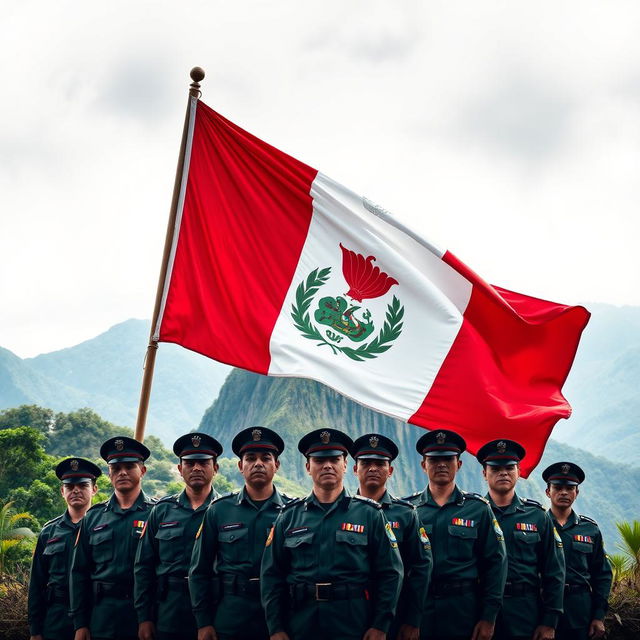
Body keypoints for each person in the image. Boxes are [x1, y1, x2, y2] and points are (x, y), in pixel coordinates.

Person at [261, 428, 403, 640]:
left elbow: (391, 573)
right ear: (308, 467)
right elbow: (271, 575)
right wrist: (276, 628)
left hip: (353, 623)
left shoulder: (370, 514)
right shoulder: (289, 517)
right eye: (319, 460)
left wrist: (381, 625)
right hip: (301, 622)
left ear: (345, 465)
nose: (327, 465)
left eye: (334, 459)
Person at [404, 429, 507, 640]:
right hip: (418, 608)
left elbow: (496, 563)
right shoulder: (407, 510)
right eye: (434, 459)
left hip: (463, 609)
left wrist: (488, 617)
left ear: (458, 465)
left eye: (448, 459)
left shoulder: (478, 509)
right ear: (424, 466)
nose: (441, 464)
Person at [189, 426, 288, 640]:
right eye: (250, 458)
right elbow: (199, 570)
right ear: (240, 466)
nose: (258, 463)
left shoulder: (292, 511)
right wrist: (203, 621)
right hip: (231, 612)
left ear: (276, 465)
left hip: (280, 614)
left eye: (266, 458)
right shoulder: (219, 510)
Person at [134, 433, 222, 640]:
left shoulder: (225, 510)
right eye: (190, 463)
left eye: (203, 463)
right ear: (180, 469)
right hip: (169, 609)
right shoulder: (162, 511)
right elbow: (143, 566)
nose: (197, 468)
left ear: (215, 468)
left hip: (215, 607)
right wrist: (144, 617)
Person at [476, 440, 565, 640]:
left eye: (509, 468)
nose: (503, 473)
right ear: (484, 473)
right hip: (479, 607)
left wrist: (550, 621)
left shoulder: (537, 516)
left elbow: (554, 571)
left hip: (524, 609)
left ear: (518, 471)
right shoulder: (474, 513)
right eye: (496, 468)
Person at [70, 436, 154, 640]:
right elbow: (79, 572)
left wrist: (148, 617)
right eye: (116, 468)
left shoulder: (156, 513)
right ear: (109, 473)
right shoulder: (93, 517)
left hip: (145, 614)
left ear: (142, 471)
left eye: (129, 466)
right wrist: (80, 623)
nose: (122, 472)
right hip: (102, 614)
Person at [351, 433, 432, 640]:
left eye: (380, 464)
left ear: (391, 471)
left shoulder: (405, 514)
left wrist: (413, 619)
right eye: (366, 463)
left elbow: (422, 568)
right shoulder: (342, 511)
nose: (373, 469)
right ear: (354, 469)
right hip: (350, 611)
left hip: (395, 612)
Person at [28, 458, 101, 640]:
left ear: (94, 489)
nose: (76, 490)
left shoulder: (104, 526)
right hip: (57, 616)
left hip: (95, 613)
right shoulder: (49, 532)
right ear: (62, 491)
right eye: (70, 486)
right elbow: (37, 583)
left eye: (83, 485)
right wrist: (35, 630)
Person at [542, 462, 612, 640]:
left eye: (570, 488)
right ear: (548, 492)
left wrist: (598, 616)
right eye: (558, 487)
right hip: (542, 607)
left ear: (577, 493)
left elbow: (602, 575)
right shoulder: (538, 525)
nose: (564, 492)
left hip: (580, 611)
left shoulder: (590, 529)